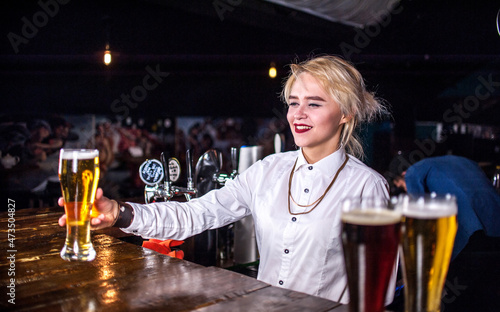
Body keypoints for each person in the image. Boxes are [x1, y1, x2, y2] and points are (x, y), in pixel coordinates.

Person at [58, 55, 392, 304]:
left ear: (345, 113)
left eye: (314, 104)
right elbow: (195, 214)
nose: (298, 114)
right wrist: (120, 213)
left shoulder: (367, 187)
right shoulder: (268, 171)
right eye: (293, 103)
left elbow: (379, 292)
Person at [392, 155, 500, 311]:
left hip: (471, 232)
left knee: (456, 296)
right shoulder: (460, 160)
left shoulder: (412, 172)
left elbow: (421, 217)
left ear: (403, 175)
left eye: (403, 187)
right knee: (486, 292)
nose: (406, 191)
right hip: (495, 225)